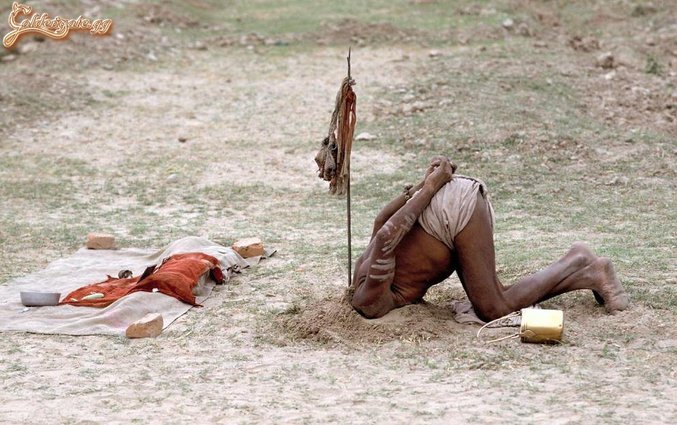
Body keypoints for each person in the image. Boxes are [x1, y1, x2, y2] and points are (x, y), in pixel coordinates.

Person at [350, 156, 629, 321]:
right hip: (444, 215)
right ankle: (583, 270)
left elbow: (386, 234)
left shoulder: (370, 301)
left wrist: (431, 186)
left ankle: (585, 264)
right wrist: (422, 187)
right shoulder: (357, 280)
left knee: (493, 306)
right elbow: (380, 221)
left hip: (452, 212)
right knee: (494, 294)